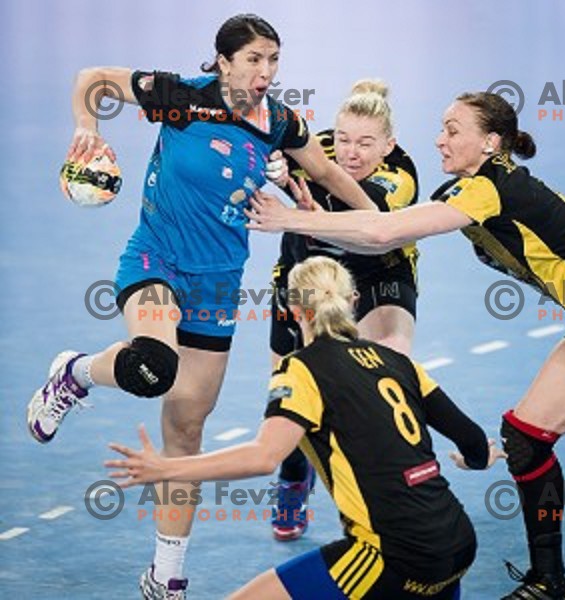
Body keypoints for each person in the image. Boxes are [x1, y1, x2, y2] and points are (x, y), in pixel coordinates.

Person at [26, 13, 376, 600]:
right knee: (152, 366)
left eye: (273, 61)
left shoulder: (280, 124)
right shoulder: (180, 95)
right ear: (222, 61)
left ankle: (166, 575)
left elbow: (327, 172)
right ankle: (76, 373)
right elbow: (93, 78)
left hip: (218, 284)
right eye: (254, 60)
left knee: (186, 432)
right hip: (156, 259)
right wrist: (87, 129)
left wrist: (382, 224)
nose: (264, 73)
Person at [246, 91, 565, 599]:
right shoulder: (472, 189)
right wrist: (308, 214)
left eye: (454, 130)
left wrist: (290, 219)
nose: (440, 138)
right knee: (525, 439)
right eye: (442, 127)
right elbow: (374, 233)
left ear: (491, 142)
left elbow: (383, 230)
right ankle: (551, 582)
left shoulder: (489, 189)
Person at [106, 255, 506, 600]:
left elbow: (265, 457)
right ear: (353, 302)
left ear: (295, 311)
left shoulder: (301, 369)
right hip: (457, 542)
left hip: (391, 555)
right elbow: (473, 442)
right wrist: (476, 458)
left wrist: (166, 469)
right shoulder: (399, 362)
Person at [268, 80, 419, 541]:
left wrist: (300, 206)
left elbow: (370, 223)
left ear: (388, 144)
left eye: (366, 143)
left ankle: (383, 494)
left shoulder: (401, 175)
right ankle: (295, 476)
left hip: (378, 274)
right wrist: (273, 166)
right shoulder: (318, 147)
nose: (350, 153)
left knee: (380, 378)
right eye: (344, 139)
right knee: (290, 395)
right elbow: (260, 151)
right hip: (307, 271)